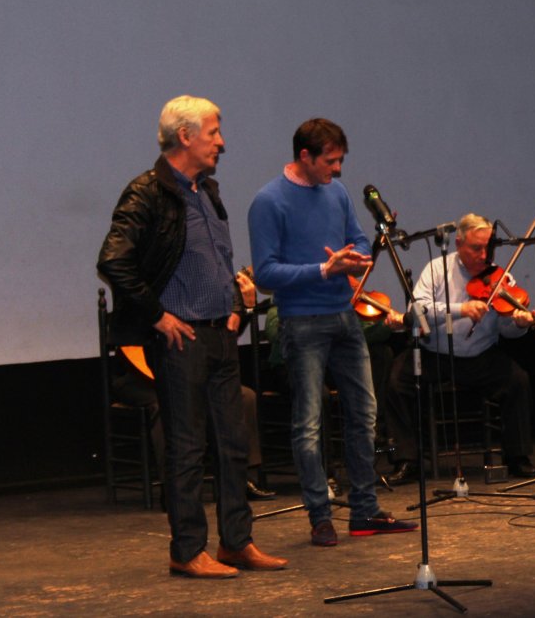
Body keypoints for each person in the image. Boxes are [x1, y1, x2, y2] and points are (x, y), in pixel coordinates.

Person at [97, 95, 286, 578]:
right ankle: (186, 551)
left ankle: (236, 542)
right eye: (213, 132)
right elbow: (114, 260)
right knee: (185, 446)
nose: (221, 142)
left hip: (219, 333)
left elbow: (213, 260)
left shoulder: (207, 190)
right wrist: (157, 316)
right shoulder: (147, 193)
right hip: (180, 341)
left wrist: (236, 302)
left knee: (232, 443)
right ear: (185, 136)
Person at [247, 118, 416, 547]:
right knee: (308, 424)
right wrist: (324, 268)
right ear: (304, 156)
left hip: (344, 316)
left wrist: (355, 258)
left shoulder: (337, 193)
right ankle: (320, 516)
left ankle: (364, 512)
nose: (337, 170)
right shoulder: (268, 201)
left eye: (340, 160)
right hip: (301, 323)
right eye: (330, 160)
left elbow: (358, 240)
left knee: (365, 414)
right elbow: (265, 273)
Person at [382, 213, 535, 484]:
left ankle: (517, 457)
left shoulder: (502, 279)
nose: (482, 255)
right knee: (397, 380)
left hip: (480, 355)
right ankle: (407, 460)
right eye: (475, 248)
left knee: (518, 380)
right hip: (436, 352)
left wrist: (520, 323)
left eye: (487, 248)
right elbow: (416, 309)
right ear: (458, 243)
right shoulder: (436, 269)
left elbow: (507, 331)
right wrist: (461, 309)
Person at [109, 270, 274, 501]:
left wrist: (245, 308)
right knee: (164, 404)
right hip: (139, 379)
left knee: (244, 396)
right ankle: (173, 485)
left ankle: (241, 477)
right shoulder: (142, 294)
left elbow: (226, 336)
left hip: (190, 372)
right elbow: (129, 347)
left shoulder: (198, 305)